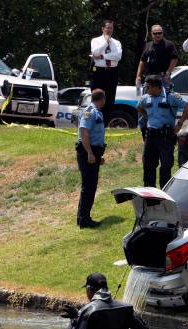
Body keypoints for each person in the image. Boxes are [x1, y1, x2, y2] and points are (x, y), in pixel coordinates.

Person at [137, 75, 188, 188]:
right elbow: (139, 107)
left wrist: (179, 124)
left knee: (166, 166)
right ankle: (149, 195)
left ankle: (164, 192)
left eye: (149, 87)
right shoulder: (146, 97)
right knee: (148, 165)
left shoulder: (171, 97)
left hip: (165, 137)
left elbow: (187, 107)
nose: (147, 89)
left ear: (157, 87)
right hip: (151, 135)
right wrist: (147, 116)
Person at [76, 89, 107, 229]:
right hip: (87, 152)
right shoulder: (91, 111)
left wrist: (96, 155)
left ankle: (82, 217)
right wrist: (89, 152)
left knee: (89, 186)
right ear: (103, 99)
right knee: (89, 187)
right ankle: (84, 219)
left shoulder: (97, 112)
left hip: (93, 152)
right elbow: (84, 131)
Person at [90, 20, 122, 125]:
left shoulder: (116, 42)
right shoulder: (95, 40)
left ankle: (105, 122)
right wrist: (105, 42)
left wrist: (103, 56)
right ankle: (94, 120)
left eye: (111, 28)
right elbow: (95, 52)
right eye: (107, 28)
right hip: (99, 71)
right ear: (102, 28)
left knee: (110, 97)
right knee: (97, 95)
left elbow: (117, 57)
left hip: (112, 72)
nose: (109, 30)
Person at [136, 24, 179, 94]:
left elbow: (175, 58)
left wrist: (168, 72)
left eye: (159, 33)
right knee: (147, 100)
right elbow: (142, 61)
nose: (157, 35)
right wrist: (138, 76)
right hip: (149, 77)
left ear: (162, 33)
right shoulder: (148, 45)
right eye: (155, 33)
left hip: (162, 77)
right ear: (151, 34)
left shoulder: (169, 44)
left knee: (164, 101)